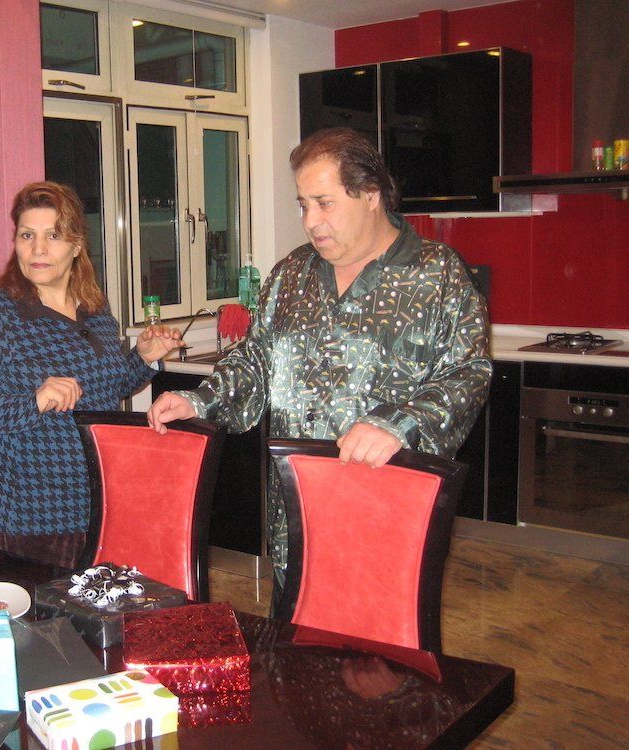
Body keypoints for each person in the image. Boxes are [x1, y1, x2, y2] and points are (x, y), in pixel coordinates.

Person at [148, 127, 491, 590]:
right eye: (303, 205)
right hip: (297, 513)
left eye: (324, 203)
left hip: (387, 510)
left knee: (377, 632)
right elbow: (255, 359)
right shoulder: (292, 275)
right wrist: (200, 400)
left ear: (371, 194)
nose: (311, 221)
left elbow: (466, 374)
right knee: (295, 625)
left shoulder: (437, 275)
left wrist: (399, 424)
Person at [0, 181, 183, 568]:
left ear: (76, 245)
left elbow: (109, 389)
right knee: (44, 608)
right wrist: (32, 402)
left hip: (105, 499)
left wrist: (144, 358)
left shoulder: (95, 309)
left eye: (53, 236)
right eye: (27, 235)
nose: (38, 249)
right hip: (38, 516)